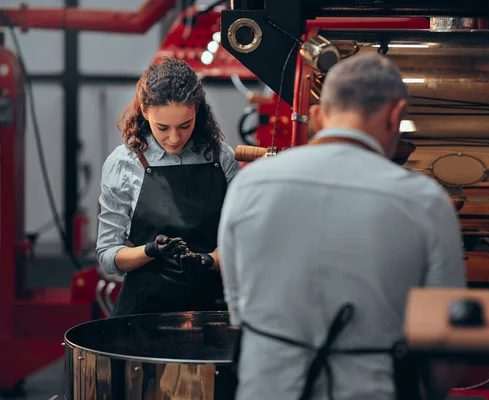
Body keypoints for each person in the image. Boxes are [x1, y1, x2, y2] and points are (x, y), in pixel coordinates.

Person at [218, 53, 467, 400]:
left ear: (318, 116)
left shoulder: (249, 185)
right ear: (395, 115)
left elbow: (239, 316)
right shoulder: (425, 201)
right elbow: (445, 344)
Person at [96, 57, 239, 317]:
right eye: (162, 128)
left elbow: (238, 245)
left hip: (209, 314)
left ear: (198, 110)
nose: (174, 138)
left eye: (185, 125)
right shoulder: (124, 163)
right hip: (143, 314)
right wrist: (150, 251)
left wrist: (206, 260)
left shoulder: (221, 158)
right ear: (145, 111)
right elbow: (108, 256)